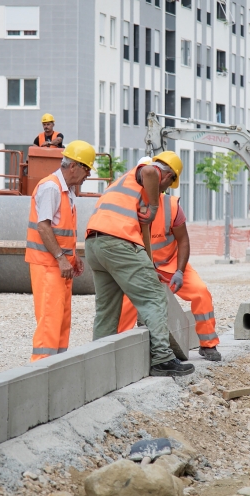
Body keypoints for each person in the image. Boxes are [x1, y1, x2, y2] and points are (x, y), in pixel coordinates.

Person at [85, 151, 195, 377]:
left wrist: (149, 266)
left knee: (106, 311)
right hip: (117, 243)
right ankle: (162, 359)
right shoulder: (149, 172)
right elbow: (149, 170)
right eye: (167, 186)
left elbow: (143, 236)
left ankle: (97, 367)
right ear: (167, 176)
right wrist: (154, 207)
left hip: (95, 245)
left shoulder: (123, 185)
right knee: (154, 296)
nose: (163, 192)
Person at [117, 184, 222, 361]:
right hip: (142, 268)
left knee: (201, 293)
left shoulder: (171, 206)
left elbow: (183, 241)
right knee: (125, 305)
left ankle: (208, 344)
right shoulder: (127, 206)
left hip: (172, 265)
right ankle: (120, 350)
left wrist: (180, 271)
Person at [25, 140, 94, 361]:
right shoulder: (51, 187)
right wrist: (61, 259)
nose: (88, 175)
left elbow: (62, 230)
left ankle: (57, 365)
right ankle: (40, 369)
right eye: (87, 169)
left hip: (59, 266)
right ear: (73, 166)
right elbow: (43, 226)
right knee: (49, 320)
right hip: (48, 266)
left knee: (62, 320)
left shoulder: (67, 191)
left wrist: (74, 257)